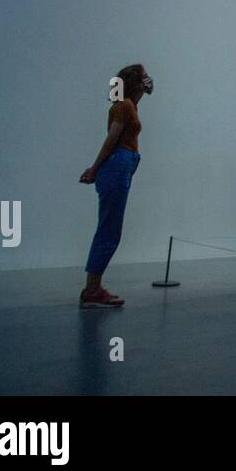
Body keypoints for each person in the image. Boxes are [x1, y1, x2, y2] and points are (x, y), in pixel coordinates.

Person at [78, 63, 153, 309]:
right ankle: (92, 289)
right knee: (109, 230)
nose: (148, 80)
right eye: (143, 77)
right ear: (134, 82)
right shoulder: (124, 106)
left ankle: (93, 287)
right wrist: (94, 168)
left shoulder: (129, 106)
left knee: (109, 229)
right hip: (117, 165)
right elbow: (112, 138)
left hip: (121, 165)